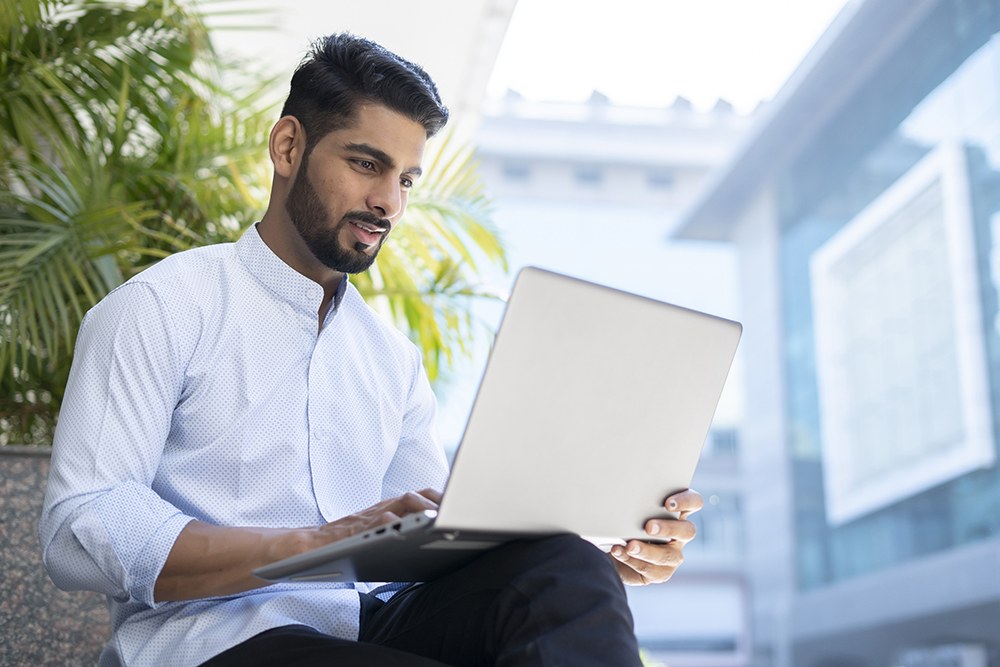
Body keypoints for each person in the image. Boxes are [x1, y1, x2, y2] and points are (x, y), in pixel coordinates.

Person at [39, 33, 702, 667]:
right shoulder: (164, 305)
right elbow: (79, 525)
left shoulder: (391, 360)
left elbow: (427, 550)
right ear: (288, 145)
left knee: (565, 567)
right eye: (366, 164)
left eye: (407, 180)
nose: (387, 201)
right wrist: (310, 543)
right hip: (213, 643)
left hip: (364, 633)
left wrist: (597, 545)